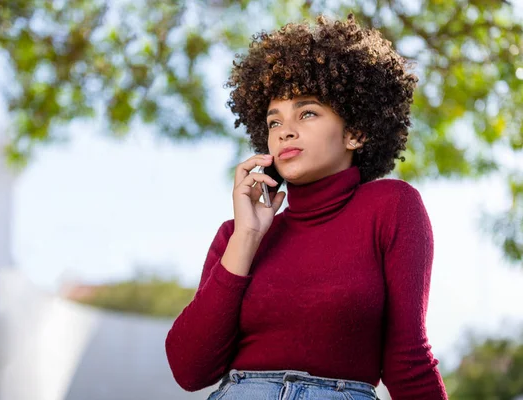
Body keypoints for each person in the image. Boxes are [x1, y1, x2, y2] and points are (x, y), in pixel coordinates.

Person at [165, 13, 448, 400]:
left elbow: (408, 356)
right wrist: (247, 237)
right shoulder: (235, 236)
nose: (286, 131)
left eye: (308, 112)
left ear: (355, 132)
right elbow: (189, 369)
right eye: (274, 121)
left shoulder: (392, 207)